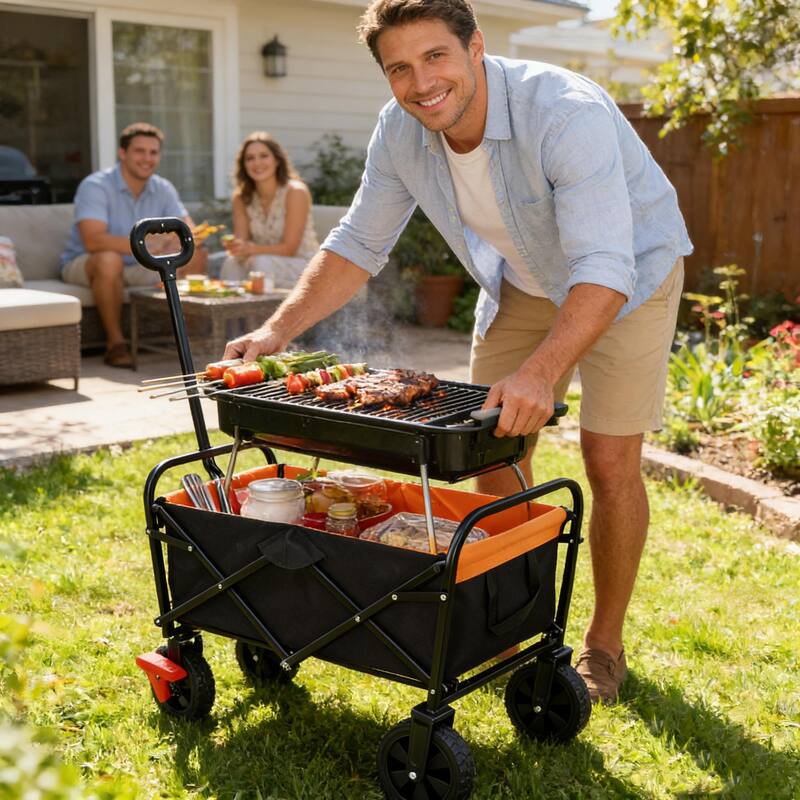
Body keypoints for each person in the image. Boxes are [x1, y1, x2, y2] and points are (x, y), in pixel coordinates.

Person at [224, 0, 692, 703]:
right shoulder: (400, 131)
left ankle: (604, 644)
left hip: (629, 275)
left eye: (435, 56)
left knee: (607, 456)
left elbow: (603, 263)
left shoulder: (565, 113)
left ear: (475, 48)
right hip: (525, 281)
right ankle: (514, 617)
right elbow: (357, 244)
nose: (421, 82)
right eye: (399, 68)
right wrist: (274, 334)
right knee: (490, 446)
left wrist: (541, 372)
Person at [60, 122, 208, 368]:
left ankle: (188, 338)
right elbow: (93, 240)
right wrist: (149, 242)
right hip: (88, 263)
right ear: (123, 153)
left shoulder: (163, 188)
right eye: (140, 151)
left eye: (153, 152)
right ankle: (115, 343)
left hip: (142, 265)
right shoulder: (96, 186)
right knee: (109, 260)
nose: (147, 158)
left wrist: (178, 240)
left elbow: (188, 232)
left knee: (197, 255)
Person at [220, 132, 318, 290]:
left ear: (277, 160)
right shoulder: (240, 197)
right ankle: (229, 312)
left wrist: (252, 249)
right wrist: (236, 246)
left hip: (302, 264)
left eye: (264, 156)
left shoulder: (296, 192)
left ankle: (262, 314)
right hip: (260, 261)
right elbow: (241, 245)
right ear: (244, 165)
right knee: (231, 262)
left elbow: (290, 248)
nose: (257, 163)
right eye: (250, 158)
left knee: (261, 263)